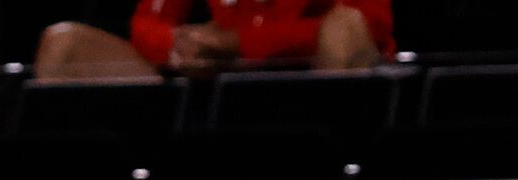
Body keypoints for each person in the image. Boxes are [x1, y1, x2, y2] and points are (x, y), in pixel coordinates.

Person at [36, 0, 389, 80]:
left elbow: (371, 24)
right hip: (218, 80)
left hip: (308, 80)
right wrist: (179, 46)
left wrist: (240, 43)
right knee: (65, 46)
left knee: (344, 29)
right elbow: (149, 20)